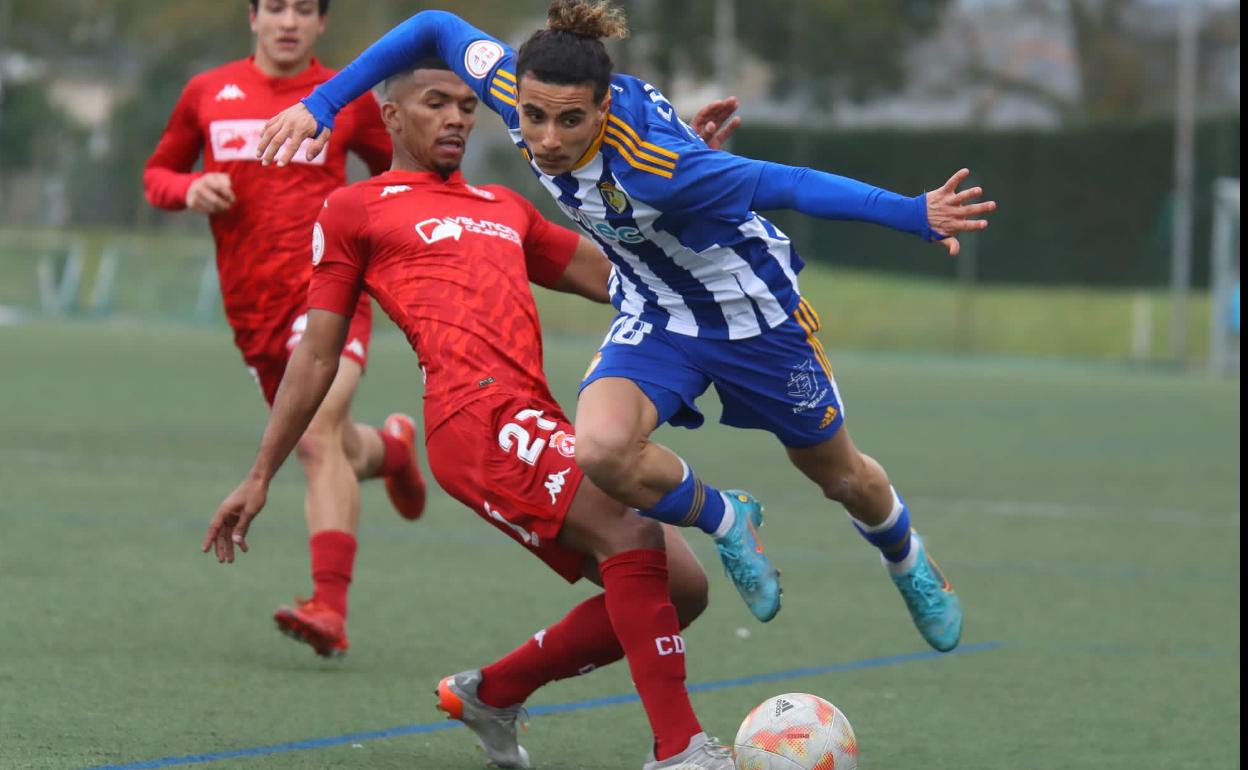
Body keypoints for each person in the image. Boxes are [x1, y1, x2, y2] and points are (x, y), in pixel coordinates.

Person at [257, 0, 997, 652]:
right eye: (532, 117)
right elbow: (431, 28)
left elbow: (790, 183)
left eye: (570, 120)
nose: (544, 138)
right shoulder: (521, 89)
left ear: (604, 108)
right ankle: (726, 516)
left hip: (752, 316)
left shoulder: (661, 170)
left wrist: (913, 214)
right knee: (601, 448)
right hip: (656, 309)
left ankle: (909, 561)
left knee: (840, 476)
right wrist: (323, 106)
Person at [204, 59, 742, 770]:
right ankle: (679, 751)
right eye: (436, 103)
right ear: (393, 117)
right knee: (631, 524)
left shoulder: (504, 207)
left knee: (685, 590)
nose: (457, 116)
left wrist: (681, 182)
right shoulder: (356, 209)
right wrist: (261, 473)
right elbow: (315, 357)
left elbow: (626, 278)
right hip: (474, 422)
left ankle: (494, 691)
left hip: (532, 415)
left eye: (466, 104)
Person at [143, 0, 429, 659]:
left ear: (322, 23)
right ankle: (389, 452)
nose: (289, 20)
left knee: (317, 435)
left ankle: (329, 606)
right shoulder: (207, 92)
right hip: (252, 311)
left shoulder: (344, 99)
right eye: (276, 7)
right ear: (253, 16)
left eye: (305, 9)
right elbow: (158, 172)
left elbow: (400, 173)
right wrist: (186, 190)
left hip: (328, 290)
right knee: (324, 443)